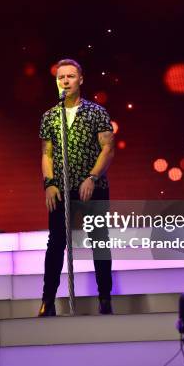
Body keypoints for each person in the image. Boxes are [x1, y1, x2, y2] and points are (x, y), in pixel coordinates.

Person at [38, 59, 115, 316]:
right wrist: (49, 184)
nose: (66, 81)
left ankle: (105, 298)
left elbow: (108, 148)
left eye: (71, 76)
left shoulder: (96, 112)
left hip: (93, 187)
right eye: (61, 77)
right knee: (56, 242)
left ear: (80, 79)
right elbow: (47, 153)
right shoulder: (49, 116)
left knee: (99, 240)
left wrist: (92, 177)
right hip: (61, 188)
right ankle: (47, 301)